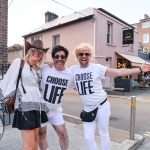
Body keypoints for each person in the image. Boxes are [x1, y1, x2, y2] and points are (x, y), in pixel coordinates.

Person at [69, 43, 150, 150]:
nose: (84, 56)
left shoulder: (96, 68)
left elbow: (118, 72)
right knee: (88, 137)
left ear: (90, 56)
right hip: (88, 108)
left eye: (87, 54)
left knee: (103, 133)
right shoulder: (72, 70)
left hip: (102, 106)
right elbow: (69, 84)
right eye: (81, 54)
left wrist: (139, 69)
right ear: (77, 55)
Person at [0, 40, 49, 150]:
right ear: (28, 51)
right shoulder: (19, 62)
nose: (37, 53)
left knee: (36, 140)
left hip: (38, 108)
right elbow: (9, 80)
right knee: (29, 144)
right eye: (34, 50)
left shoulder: (36, 70)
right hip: (25, 108)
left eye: (40, 52)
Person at [38, 45, 73, 150]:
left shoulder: (70, 75)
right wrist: (44, 63)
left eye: (62, 57)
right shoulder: (44, 69)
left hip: (56, 110)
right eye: (57, 56)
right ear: (53, 58)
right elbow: (32, 66)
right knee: (42, 134)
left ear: (66, 58)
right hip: (41, 109)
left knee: (63, 134)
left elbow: (79, 87)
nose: (59, 59)